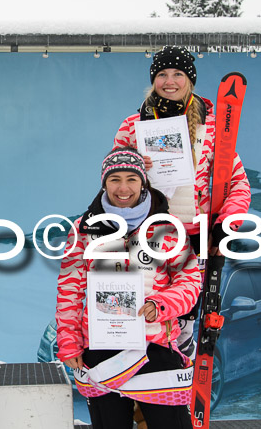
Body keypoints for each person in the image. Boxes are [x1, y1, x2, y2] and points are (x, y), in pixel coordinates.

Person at [113, 46, 250, 358]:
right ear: (153, 80)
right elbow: (111, 178)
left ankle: (179, 383)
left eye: (178, 74)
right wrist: (133, 168)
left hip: (195, 236)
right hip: (146, 234)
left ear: (190, 80)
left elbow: (238, 184)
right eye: (162, 74)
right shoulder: (133, 125)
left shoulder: (213, 127)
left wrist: (226, 226)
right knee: (145, 311)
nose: (169, 81)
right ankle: (144, 390)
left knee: (184, 315)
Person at [56, 147, 201, 429]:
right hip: (100, 348)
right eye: (115, 179)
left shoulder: (167, 229)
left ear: (143, 182)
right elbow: (69, 292)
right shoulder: (84, 229)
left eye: (132, 179)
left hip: (155, 346)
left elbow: (190, 282)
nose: (123, 188)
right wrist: (69, 342)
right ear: (104, 183)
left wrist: (161, 305)